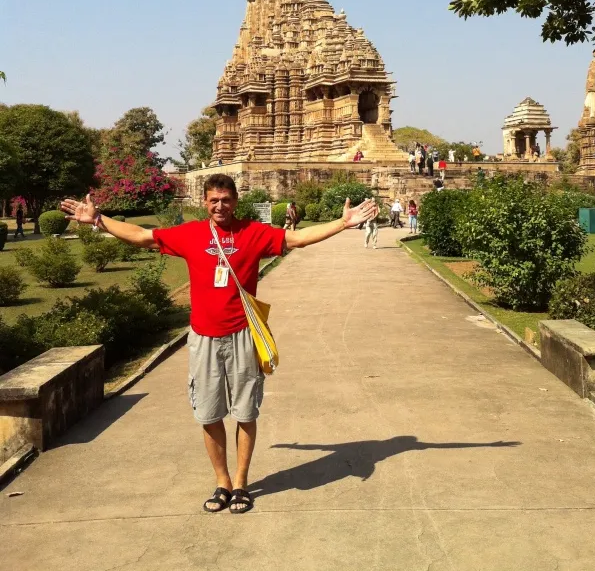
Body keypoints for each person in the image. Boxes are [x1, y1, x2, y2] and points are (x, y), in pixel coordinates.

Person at [61, 174, 377, 516]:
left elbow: (297, 238)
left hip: (243, 335)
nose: (220, 206)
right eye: (213, 200)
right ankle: (222, 481)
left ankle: (241, 482)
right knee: (209, 414)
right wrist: (98, 218)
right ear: (205, 202)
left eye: (226, 200)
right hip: (204, 338)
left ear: (235, 201)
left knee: (245, 412)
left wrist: (342, 223)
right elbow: (142, 236)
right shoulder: (191, 234)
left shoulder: (253, 233)